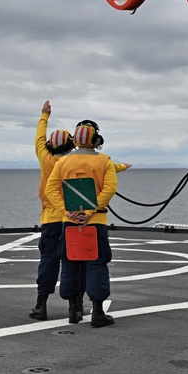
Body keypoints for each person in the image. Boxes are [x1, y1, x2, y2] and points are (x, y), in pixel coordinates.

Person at [45, 119, 119, 327]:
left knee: (70, 263)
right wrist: (89, 211)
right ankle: (97, 312)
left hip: (69, 223)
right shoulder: (104, 161)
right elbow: (109, 189)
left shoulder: (63, 162)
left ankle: (73, 310)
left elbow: (51, 190)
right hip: (95, 223)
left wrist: (67, 211)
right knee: (96, 264)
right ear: (96, 140)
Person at [28, 101, 74, 321]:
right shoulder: (75, 162)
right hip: (73, 219)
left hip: (50, 220)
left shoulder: (46, 159)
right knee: (74, 262)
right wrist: (122, 167)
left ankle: (41, 305)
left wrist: (44, 115)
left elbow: (38, 138)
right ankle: (75, 306)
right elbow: (105, 166)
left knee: (48, 261)